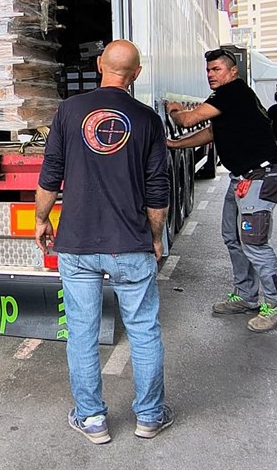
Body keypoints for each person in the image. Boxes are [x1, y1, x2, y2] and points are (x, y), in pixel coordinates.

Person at [35, 40, 173, 445]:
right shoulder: (147, 120)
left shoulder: (69, 111)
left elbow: (51, 175)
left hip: (77, 244)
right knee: (144, 330)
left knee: (81, 332)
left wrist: (42, 219)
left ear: (99, 65)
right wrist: (154, 237)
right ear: (138, 74)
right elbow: (157, 190)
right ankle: (149, 417)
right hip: (129, 243)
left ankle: (92, 418)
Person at [166, 48, 277, 333]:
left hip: (260, 175)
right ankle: (247, 296)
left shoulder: (232, 92)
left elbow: (188, 120)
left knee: (254, 241)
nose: (211, 75)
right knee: (232, 237)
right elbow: (211, 133)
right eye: (209, 70)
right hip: (241, 177)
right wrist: (175, 145)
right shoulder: (231, 100)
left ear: (232, 71)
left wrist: (173, 108)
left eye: (216, 70)